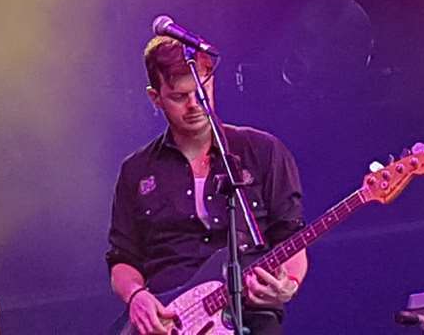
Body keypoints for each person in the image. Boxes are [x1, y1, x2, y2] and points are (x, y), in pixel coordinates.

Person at [106, 35, 308, 334]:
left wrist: (287, 285)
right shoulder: (136, 170)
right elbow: (122, 258)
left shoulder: (263, 151)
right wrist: (136, 296)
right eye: (179, 97)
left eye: (202, 92)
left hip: (249, 314)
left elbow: (290, 236)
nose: (194, 105)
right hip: (169, 320)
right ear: (155, 97)